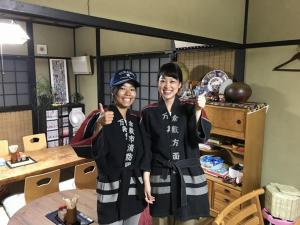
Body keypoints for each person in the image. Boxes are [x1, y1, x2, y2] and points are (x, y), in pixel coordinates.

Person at [140, 62, 212, 225]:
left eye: (172, 81)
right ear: (157, 83)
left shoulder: (191, 108)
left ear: (180, 85)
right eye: (162, 80)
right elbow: (145, 150)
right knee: (160, 222)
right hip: (160, 178)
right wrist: (146, 182)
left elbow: (201, 137)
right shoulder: (148, 112)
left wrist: (199, 110)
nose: (167, 86)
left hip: (187, 177)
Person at [72, 69, 146, 225]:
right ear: (113, 91)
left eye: (132, 89)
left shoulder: (137, 119)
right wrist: (99, 125)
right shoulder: (99, 115)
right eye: (122, 88)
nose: (128, 93)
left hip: (134, 188)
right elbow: (79, 146)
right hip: (111, 188)